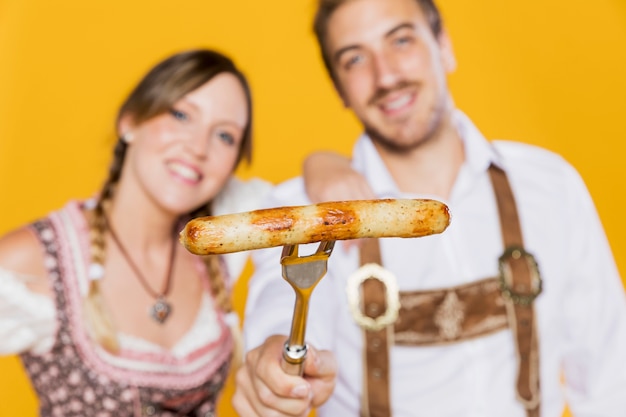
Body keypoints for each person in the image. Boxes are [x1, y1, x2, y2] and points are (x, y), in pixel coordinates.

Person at [233, 0, 626, 416]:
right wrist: (272, 365)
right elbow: (280, 311)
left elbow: (610, 378)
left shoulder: (549, 186)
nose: (385, 75)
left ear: (444, 46)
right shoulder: (309, 211)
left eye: (401, 40)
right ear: (339, 90)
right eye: (355, 59)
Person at [0, 48, 274, 416]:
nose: (198, 148)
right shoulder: (34, 259)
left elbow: (299, 202)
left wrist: (327, 166)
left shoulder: (220, 234)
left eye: (224, 136)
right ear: (129, 122)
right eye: (181, 115)